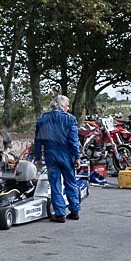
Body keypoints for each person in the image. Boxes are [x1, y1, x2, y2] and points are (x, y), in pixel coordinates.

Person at [33, 95, 81, 223]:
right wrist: (77, 157)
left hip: (51, 154)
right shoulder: (70, 119)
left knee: (55, 184)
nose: (68, 108)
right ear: (61, 106)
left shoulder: (43, 119)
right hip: (66, 154)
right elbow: (74, 140)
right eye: (67, 105)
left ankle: (60, 214)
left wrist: (38, 158)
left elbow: (37, 140)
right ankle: (75, 210)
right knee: (71, 182)